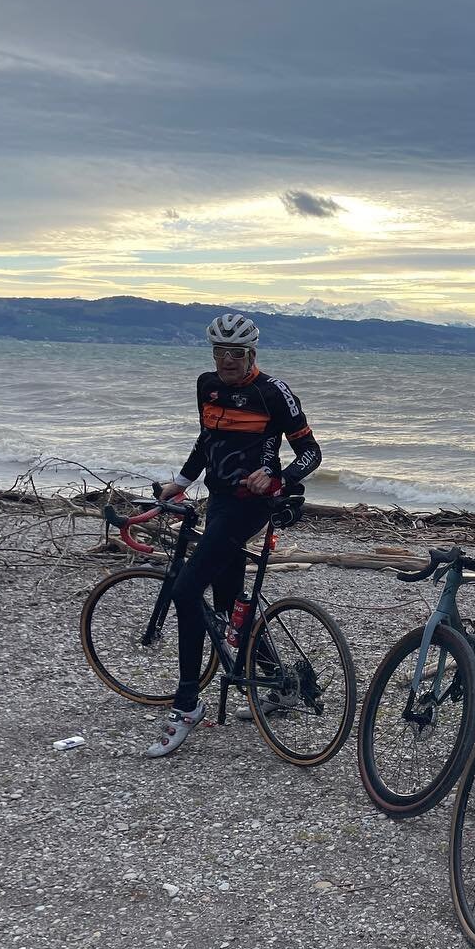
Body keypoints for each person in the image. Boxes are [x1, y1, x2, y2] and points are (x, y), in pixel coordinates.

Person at [147, 312, 323, 757]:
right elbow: (206, 442)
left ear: (252, 354)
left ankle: (186, 705)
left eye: (237, 353)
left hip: (251, 506)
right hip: (220, 500)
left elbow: (311, 451)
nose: (227, 360)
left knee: (186, 592)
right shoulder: (206, 384)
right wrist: (182, 483)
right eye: (220, 352)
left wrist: (277, 478)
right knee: (227, 604)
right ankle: (277, 682)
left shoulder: (273, 393)